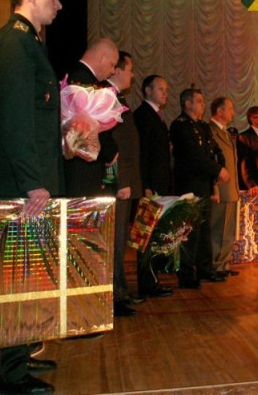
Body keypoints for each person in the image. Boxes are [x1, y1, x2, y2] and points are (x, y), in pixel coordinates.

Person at [0, 0, 62, 395]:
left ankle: (17, 354)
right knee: (12, 279)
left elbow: (36, 120)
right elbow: (13, 119)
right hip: (20, 188)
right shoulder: (13, 43)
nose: (58, 4)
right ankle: (6, 374)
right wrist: (33, 181)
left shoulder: (28, 42)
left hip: (30, 184)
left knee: (25, 277)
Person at [106, 51, 153, 317]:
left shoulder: (118, 99)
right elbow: (113, 144)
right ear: (116, 70)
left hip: (127, 181)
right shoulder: (107, 98)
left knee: (121, 240)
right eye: (130, 69)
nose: (132, 75)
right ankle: (114, 296)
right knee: (115, 242)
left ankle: (121, 291)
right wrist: (121, 180)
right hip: (119, 182)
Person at [170, 88, 230, 286]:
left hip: (204, 184)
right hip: (188, 185)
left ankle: (205, 269)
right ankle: (186, 274)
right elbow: (193, 156)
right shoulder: (180, 126)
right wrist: (217, 170)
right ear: (188, 103)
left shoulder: (203, 126)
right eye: (199, 102)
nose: (203, 105)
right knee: (189, 232)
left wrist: (220, 168)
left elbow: (215, 150)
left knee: (204, 230)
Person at [133, 74, 175, 297]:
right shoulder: (143, 115)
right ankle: (147, 283)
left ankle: (152, 279)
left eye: (166, 89)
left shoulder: (157, 116)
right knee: (146, 236)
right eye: (160, 89)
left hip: (159, 184)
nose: (165, 93)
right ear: (147, 90)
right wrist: (145, 184)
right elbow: (142, 154)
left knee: (155, 235)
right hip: (149, 186)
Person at [63, 38, 119, 197]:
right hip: (81, 168)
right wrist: (111, 151)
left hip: (82, 165)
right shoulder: (81, 77)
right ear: (101, 57)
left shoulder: (81, 75)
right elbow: (88, 123)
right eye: (112, 64)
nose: (113, 71)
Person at [208, 97, 240, 277]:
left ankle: (224, 263)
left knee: (228, 230)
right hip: (220, 188)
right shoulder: (210, 131)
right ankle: (216, 264)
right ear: (219, 111)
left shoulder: (225, 132)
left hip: (230, 189)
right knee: (217, 229)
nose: (232, 112)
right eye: (229, 108)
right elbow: (212, 162)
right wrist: (214, 188)